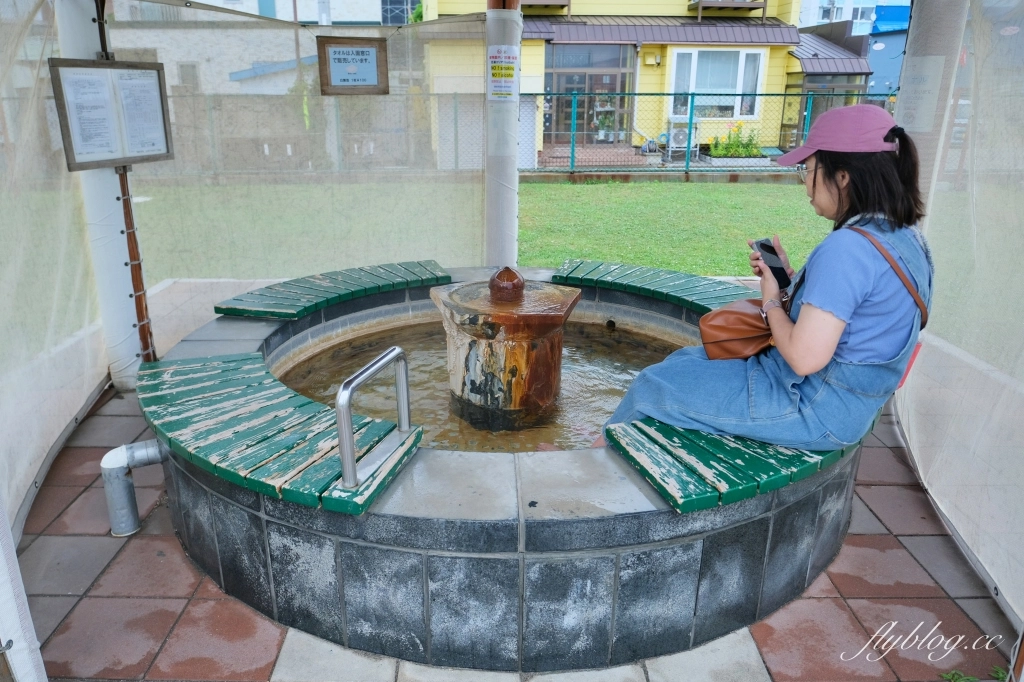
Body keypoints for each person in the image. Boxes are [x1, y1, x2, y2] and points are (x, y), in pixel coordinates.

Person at [606, 104, 933, 450]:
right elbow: (856, 323)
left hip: (813, 408)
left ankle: (597, 465)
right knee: (685, 360)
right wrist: (791, 287)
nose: (805, 182)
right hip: (852, 404)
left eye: (808, 169)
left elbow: (804, 357)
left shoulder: (848, 249)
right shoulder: (908, 238)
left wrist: (772, 299)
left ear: (843, 176)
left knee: (652, 385)